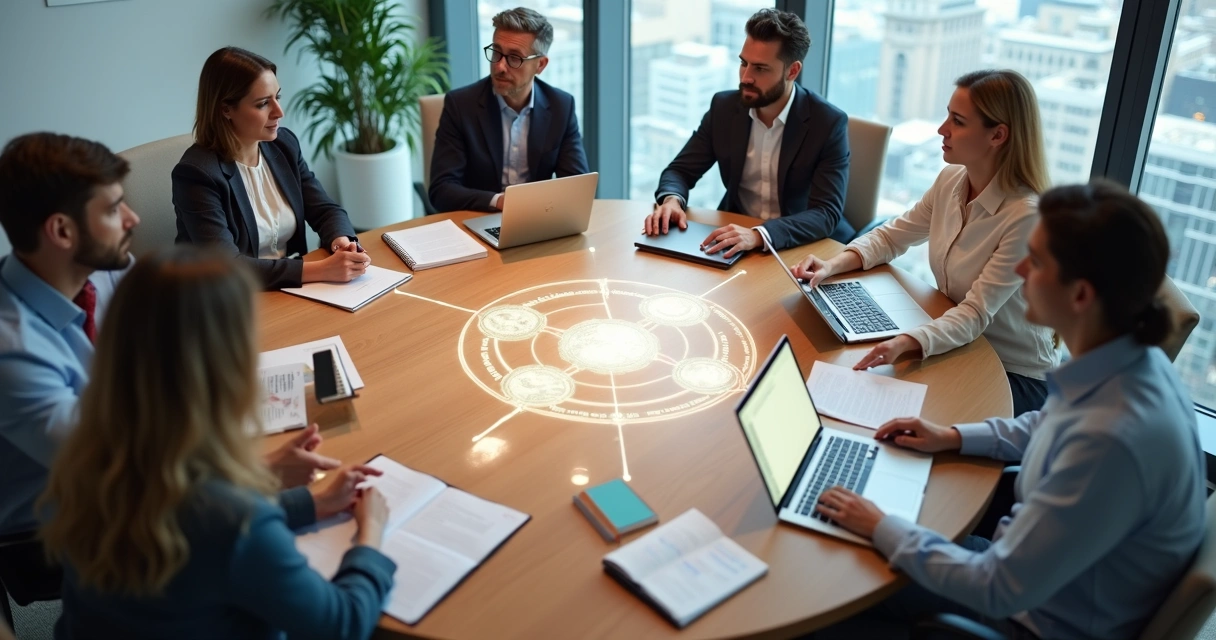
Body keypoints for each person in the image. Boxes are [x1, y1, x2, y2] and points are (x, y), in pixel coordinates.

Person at [813, 181, 1205, 640]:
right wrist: (953, 436)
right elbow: (1049, 423)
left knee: (824, 586)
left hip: (1030, 619)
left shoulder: (1112, 439)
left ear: (1080, 295)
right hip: (1033, 566)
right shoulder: (1131, 360)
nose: (1020, 268)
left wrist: (881, 526)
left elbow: (997, 587)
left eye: (1035, 262)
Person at [41, 247, 396, 640]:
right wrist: (371, 536)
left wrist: (312, 503)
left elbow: (183, 518)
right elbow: (341, 624)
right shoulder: (234, 520)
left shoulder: (89, 457)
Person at [0, 132, 339, 540]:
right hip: (79, 523)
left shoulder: (104, 268)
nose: (132, 219)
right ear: (62, 231)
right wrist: (263, 478)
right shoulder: (12, 350)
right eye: (112, 210)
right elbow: (123, 472)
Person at [793, 69, 1058, 416]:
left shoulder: (1025, 216)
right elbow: (892, 236)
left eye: (958, 121)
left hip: (1012, 372)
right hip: (957, 344)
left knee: (895, 413)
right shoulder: (951, 179)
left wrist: (908, 342)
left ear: (998, 135)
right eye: (947, 115)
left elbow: (975, 314)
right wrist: (833, 264)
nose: (942, 129)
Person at [643, 8, 853, 256]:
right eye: (744, 63)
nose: (746, 77)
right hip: (735, 238)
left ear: (792, 71)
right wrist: (672, 201)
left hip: (803, 248)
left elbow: (825, 213)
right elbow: (680, 170)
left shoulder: (827, 123)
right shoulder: (724, 108)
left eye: (761, 69)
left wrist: (759, 235)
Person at [173, 46, 370, 290]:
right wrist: (322, 269)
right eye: (263, 103)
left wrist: (342, 242)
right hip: (224, 302)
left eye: (278, 97)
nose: (279, 112)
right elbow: (227, 267)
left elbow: (326, 210)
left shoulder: (283, 145)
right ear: (226, 110)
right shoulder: (197, 174)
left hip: (286, 288)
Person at [428, 7, 589, 213]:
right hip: (476, 219)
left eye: (514, 58)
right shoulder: (460, 105)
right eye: (496, 52)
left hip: (536, 220)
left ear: (540, 64)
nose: (500, 67)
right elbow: (442, 190)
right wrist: (499, 201)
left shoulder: (561, 106)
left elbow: (577, 188)